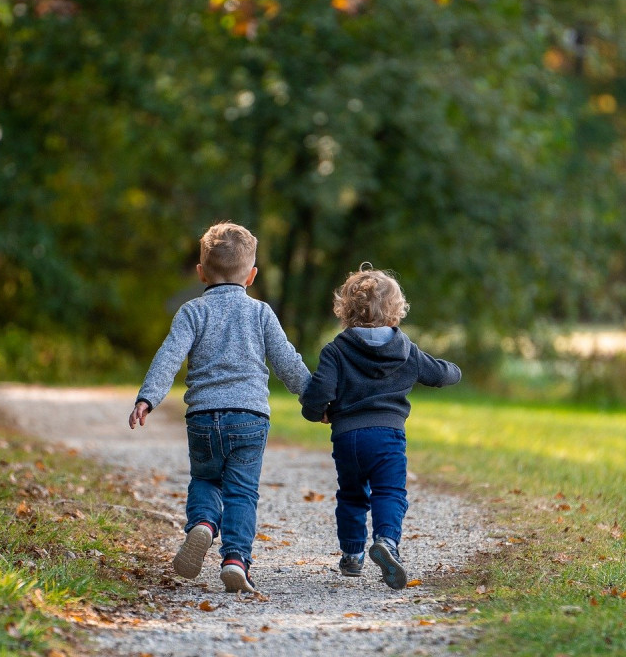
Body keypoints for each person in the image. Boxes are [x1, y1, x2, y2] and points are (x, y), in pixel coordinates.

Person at [129, 221, 310, 593]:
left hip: (202, 418)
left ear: (200, 273)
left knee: (205, 478)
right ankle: (235, 559)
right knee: (242, 492)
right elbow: (286, 361)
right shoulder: (261, 313)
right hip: (249, 418)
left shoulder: (192, 312)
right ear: (252, 275)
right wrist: (314, 398)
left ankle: (204, 523)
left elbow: (168, 357)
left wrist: (147, 397)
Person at [299, 266, 461, 590]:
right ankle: (386, 541)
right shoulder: (405, 351)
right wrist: (455, 370)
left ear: (345, 311)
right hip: (388, 438)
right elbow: (441, 374)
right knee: (389, 492)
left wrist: (316, 413)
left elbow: (319, 392)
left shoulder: (336, 350)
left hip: (347, 439)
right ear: (395, 312)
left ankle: (352, 555)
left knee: (351, 495)